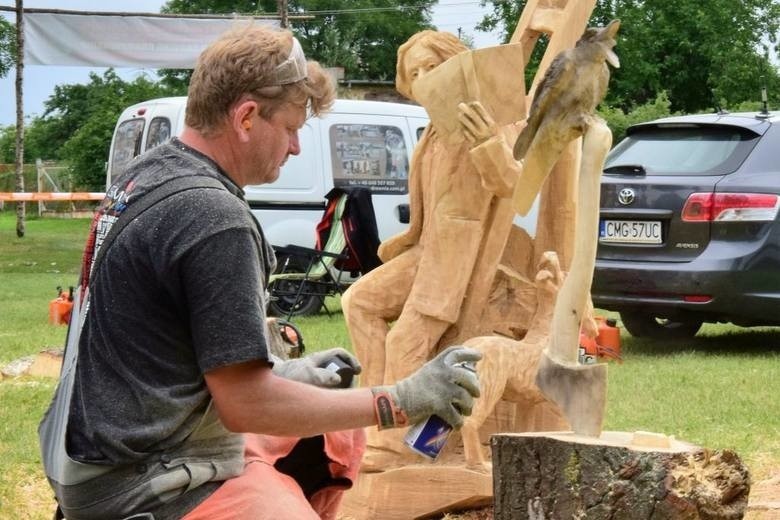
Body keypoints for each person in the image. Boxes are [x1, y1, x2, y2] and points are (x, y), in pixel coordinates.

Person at [39, 24, 481, 520]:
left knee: (338, 429)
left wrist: (289, 372)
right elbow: (246, 406)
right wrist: (398, 400)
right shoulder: (213, 218)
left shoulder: (150, 174)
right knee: (315, 454)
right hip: (140, 481)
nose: (294, 147)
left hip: (107, 446)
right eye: (292, 128)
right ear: (247, 116)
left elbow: (159, 347)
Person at [341, 30, 523, 465]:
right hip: (423, 249)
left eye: (431, 67)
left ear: (455, 65)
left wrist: (486, 141)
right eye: (415, 74)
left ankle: (394, 438)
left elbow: (511, 184)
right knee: (357, 301)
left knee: (407, 337)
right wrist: (405, 240)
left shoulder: (492, 118)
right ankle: (377, 408)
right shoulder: (431, 133)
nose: (423, 80)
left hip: (456, 255)